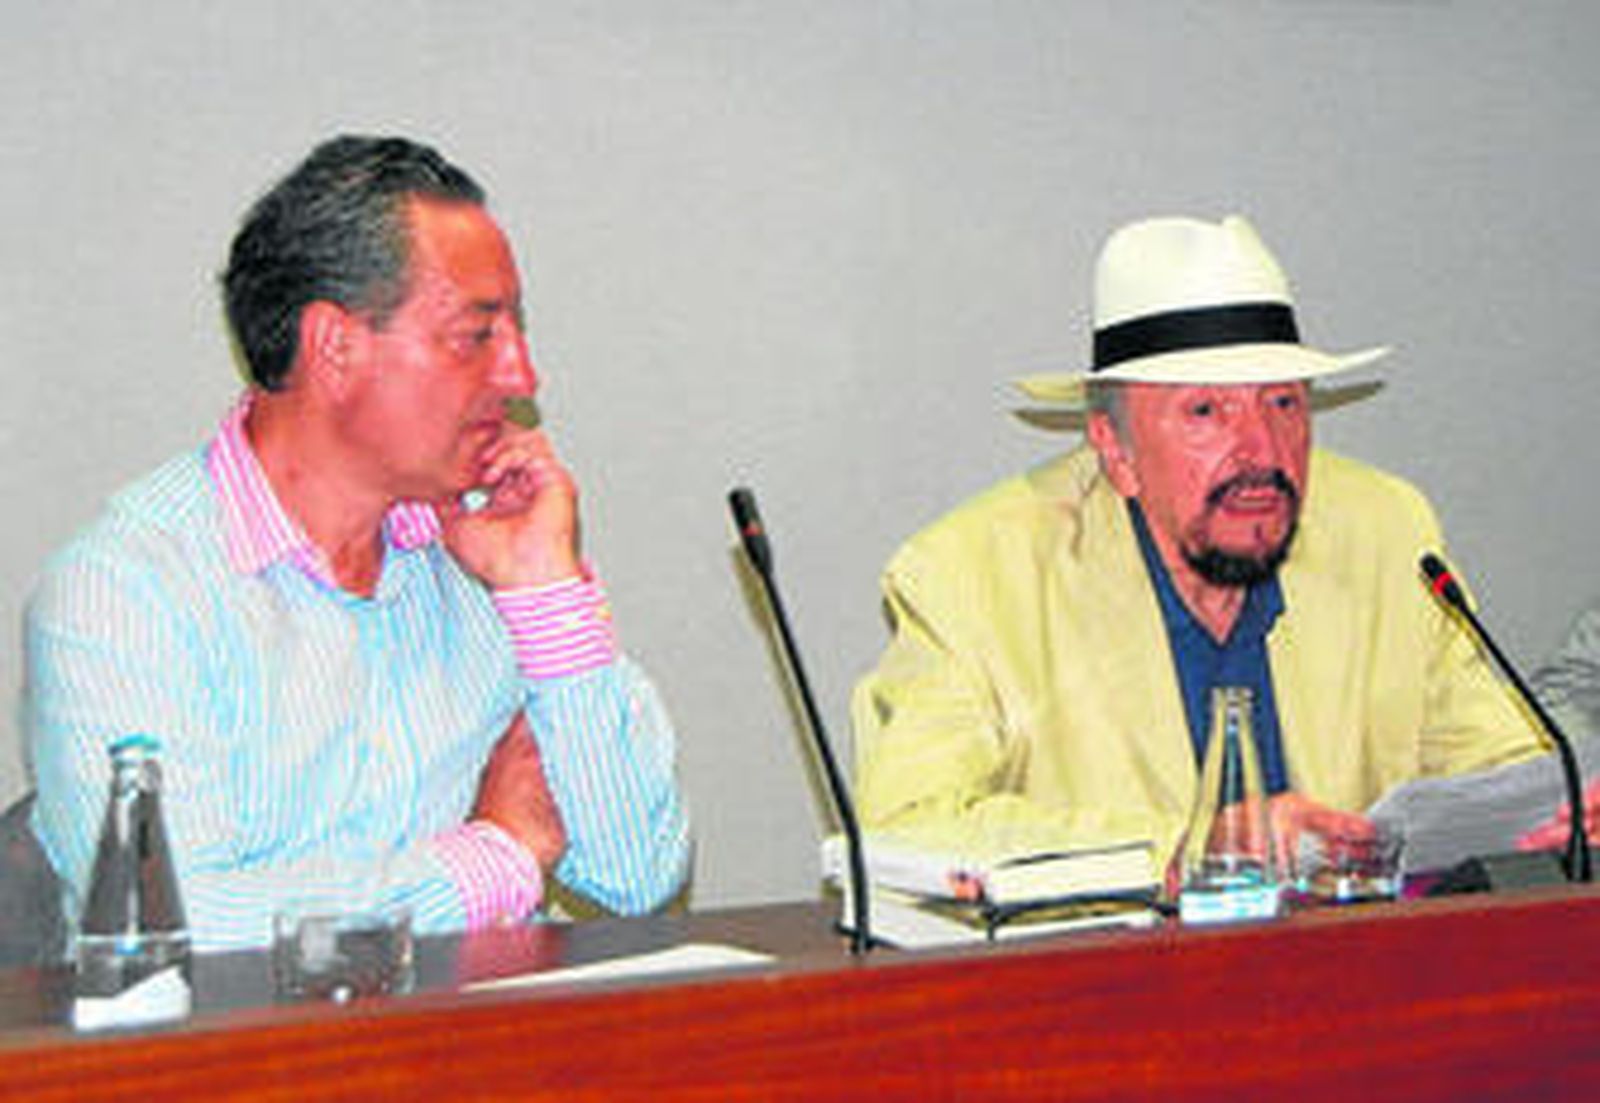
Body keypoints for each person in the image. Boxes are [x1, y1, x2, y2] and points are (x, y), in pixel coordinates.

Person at [25, 136, 690, 950]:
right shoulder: (125, 590)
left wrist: (544, 588)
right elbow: (169, 929)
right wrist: (493, 860)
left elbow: (638, 876)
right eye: (476, 335)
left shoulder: (486, 561)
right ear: (335, 345)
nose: (522, 375)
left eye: (516, 331)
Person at [852, 213, 1581, 871]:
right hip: (1111, 999)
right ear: (1115, 449)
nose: (1262, 449)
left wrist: (1558, 806)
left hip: (1359, 985)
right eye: (1206, 410)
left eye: (1285, 403)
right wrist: (1190, 845)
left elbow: (1498, 759)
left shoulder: (1386, 531)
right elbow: (905, 827)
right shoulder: (972, 574)